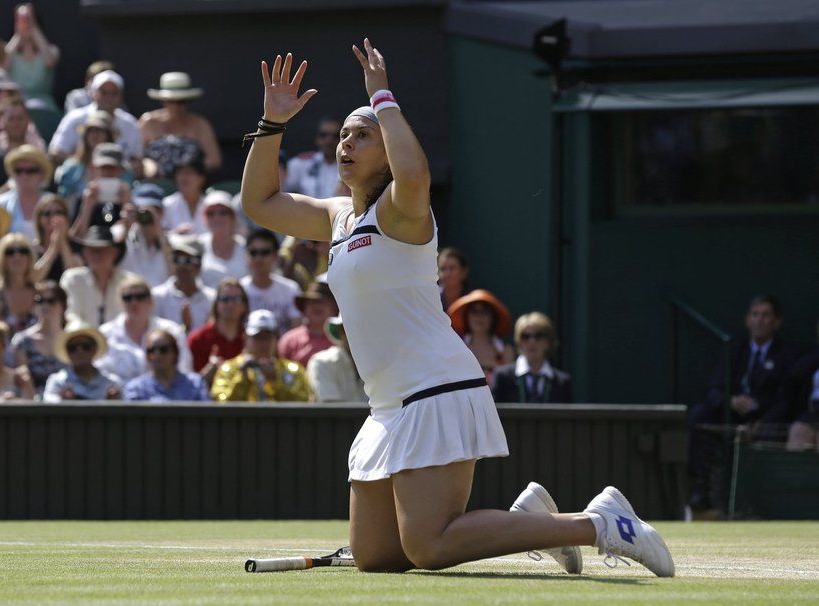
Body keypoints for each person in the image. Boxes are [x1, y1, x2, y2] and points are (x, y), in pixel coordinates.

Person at [239, 43, 673, 575]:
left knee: (429, 547)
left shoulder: (402, 210)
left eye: (363, 134)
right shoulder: (334, 218)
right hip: (387, 408)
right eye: (345, 135)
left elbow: (416, 176)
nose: (347, 143)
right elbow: (259, 203)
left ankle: (603, 523)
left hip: (435, 389)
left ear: (387, 152)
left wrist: (381, 94)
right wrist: (272, 123)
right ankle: (528, 521)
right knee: (378, 558)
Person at [687, 295, 802, 513]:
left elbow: (785, 400)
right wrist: (731, 401)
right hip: (730, 415)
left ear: (776, 322)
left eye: (766, 315)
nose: (760, 320)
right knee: (700, 415)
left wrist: (762, 420)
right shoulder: (734, 350)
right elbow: (715, 390)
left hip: (766, 419)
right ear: (747, 320)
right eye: (755, 314)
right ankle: (700, 490)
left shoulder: (787, 355)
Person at [97, 275, 193, 383]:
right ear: (120, 302)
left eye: (140, 297)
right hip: (118, 397)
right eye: (128, 298)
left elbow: (184, 367)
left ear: (151, 300)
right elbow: (99, 372)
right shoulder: (105, 334)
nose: (134, 302)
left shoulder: (171, 331)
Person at [210, 309, 309, 402]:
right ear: (245, 338)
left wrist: (275, 381)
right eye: (257, 338)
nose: (263, 344)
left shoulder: (293, 370)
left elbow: (304, 402)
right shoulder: (229, 369)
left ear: (276, 339)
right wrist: (242, 378)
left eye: (267, 338)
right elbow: (221, 404)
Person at [49, 70, 142, 166]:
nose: (109, 97)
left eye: (114, 93)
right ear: (93, 93)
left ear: (121, 96)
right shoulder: (74, 118)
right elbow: (56, 152)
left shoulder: (130, 123)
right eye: (104, 92)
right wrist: (82, 166)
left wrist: (113, 170)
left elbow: (137, 160)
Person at [139, 71, 221, 176]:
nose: (176, 107)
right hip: (155, 184)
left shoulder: (200, 124)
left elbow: (214, 160)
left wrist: (192, 171)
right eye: (171, 101)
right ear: (163, 100)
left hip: (190, 188)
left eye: (181, 102)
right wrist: (148, 166)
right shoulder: (148, 122)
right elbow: (136, 157)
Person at [60, 224, 138, 326]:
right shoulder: (73, 279)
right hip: (84, 338)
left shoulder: (130, 281)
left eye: (103, 249)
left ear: (115, 252)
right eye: (92, 250)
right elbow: (71, 315)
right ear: (84, 254)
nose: (98, 254)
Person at [491, 312, 571, 404]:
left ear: (548, 341)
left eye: (538, 336)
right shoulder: (502, 376)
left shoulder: (562, 382)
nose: (532, 341)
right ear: (519, 341)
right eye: (525, 336)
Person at [0, 96, 46, 195]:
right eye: (11, 119)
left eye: (20, 118)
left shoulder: (38, 158)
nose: (16, 123)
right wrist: (8, 189)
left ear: (28, 120)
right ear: (0, 121)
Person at [239, 229, 302, 335]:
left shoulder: (290, 289)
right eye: (253, 253)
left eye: (265, 252)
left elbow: (296, 330)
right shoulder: (239, 290)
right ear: (246, 256)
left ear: (275, 256)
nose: (258, 258)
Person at [187, 277, 247, 384]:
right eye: (225, 299)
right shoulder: (198, 339)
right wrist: (209, 372)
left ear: (244, 306)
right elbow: (189, 389)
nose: (230, 304)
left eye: (236, 299)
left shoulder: (251, 339)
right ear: (216, 304)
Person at [448, 289, 515, 384]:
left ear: (493, 317)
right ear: (466, 317)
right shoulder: (456, 349)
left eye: (485, 312)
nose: (479, 317)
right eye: (474, 312)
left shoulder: (506, 351)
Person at [11, 280, 67, 395]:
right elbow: (23, 381)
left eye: (51, 301)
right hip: (34, 407)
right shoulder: (22, 341)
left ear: (63, 305)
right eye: (39, 301)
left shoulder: (72, 340)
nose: (45, 305)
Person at [42, 320, 120, 401]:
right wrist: (63, 402)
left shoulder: (111, 384)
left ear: (95, 349)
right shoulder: (57, 382)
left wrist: (112, 404)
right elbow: (49, 405)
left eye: (86, 346)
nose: (80, 351)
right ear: (67, 352)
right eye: (73, 347)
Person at [122, 329, 208, 402]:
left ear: (175, 353)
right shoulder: (137, 388)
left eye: (163, 350)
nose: (156, 355)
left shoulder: (195, 384)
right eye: (151, 351)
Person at [152, 235, 214, 333]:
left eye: (187, 261)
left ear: (199, 265)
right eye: (177, 259)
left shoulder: (212, 299)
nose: (181, 266)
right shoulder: (157, 297)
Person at [4, 3, 60, 111]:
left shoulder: (52, 50)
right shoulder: (8, 49)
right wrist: (19, 33)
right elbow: (3, 64)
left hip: (44, 108)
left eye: (28, 19)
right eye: (21, 20)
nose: (26, 23)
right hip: (16, 107)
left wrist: (33, 28)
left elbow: (49, 62)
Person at [68, 143, 133, 235]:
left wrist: (126, 205)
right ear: (93, 169)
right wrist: (87, 208)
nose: (108, 173)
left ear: (120, 170)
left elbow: (134, 241)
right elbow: (76, 239)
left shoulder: (128, 198)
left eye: (112, 168)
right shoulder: (83, 199)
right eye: (103, 168)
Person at [0, 144, 53, 241]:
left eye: (31, 171)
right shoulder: (0, 204)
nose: (24, 175)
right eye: (18, 171)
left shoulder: (52, 204)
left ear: (42, 174)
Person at [54, 110, 118, 200]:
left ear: (108, 135)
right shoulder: (72, 167)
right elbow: (64, 198)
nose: (94, 135)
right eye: (90, 131)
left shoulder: (120, 168)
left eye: (99, 130)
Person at [0, 233, 38, 333]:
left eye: (23, 251)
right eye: (10, 252)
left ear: (29, 257)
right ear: (1, 258)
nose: (17, 256)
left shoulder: (40, 293)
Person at [121, 183, 171, 287]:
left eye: (155, 210)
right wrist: (126, 227)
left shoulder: (171, 242)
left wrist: (160, 233)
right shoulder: (123, 235)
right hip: (131, 299)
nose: (147, 215)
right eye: (141, 209)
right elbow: (112, 258)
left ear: (162, 212)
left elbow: (174, 273)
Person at [278, 280, 337, 367]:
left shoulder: (342, 340)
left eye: (323, 302)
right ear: (304, 308)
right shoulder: (289, 341)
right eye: (313, 302)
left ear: (334, 308)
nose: (318, 307)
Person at [307, 316, 366, 403]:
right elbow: (332, 412)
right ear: (340, 332)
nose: (359, 335)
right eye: (351, 329)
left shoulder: (382, 365)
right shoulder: (322, 362)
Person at [197, 190, 247, 288]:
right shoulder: (198, 245)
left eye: (223, 212)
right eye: (211, 213)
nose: (217, 217)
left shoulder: (246, 247)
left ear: (232, 217)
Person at [284, 116, 342, 199]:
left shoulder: (351, 165)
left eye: (335, 136)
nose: (329, 140)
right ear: (317, 138)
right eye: (323, 135)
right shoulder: (302, 163)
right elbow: (283, 189)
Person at [31, 194, 81, 282]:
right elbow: (34, 278)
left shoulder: (76, 246)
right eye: (47, 214)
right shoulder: (32, 249)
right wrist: (53, 248)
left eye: (59, 213)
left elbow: (75, 277)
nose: (53, 217)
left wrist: (62, 241)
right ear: (39, 219)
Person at [160, 153, 210, 235]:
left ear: (201, 178)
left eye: (189, 173)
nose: (184, 178)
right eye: (180, 173)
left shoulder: (212, 204)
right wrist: (175, 233)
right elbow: (160, 235)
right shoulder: (167, 204)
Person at [438, 247, 469, 311]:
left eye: (452, 268)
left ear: (463, 272)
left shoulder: (473, 300)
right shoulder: (430, 298)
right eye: (443, 269)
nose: (447, 273)